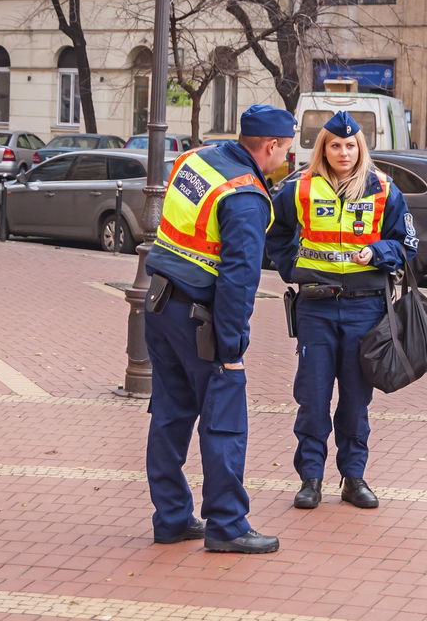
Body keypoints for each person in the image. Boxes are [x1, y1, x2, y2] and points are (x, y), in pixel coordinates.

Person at [143, 104, 296, 553]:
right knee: (225, 423)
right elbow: (238, 279)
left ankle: (170, 518)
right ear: (270, 146)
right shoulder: (245, 195)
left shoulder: (198, 159)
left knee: (170, 416)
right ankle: (227, 526)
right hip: (199, 319)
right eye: (285, 150)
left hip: (159, 302)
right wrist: (231, 345)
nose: (285, 159)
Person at [266, 111, 417, 510]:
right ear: (323, 149)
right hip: (315, 308)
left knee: (354, 402)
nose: (343, 152)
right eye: (335, 145)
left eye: (350, 145)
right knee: (313, 399)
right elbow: (275, 230)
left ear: (360, 148)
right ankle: (311, 479)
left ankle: (354, 478)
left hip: (366, 309)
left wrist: (379, 251)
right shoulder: (299, 188)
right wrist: (289, 267)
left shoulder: (383, 188)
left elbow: (407, 243)